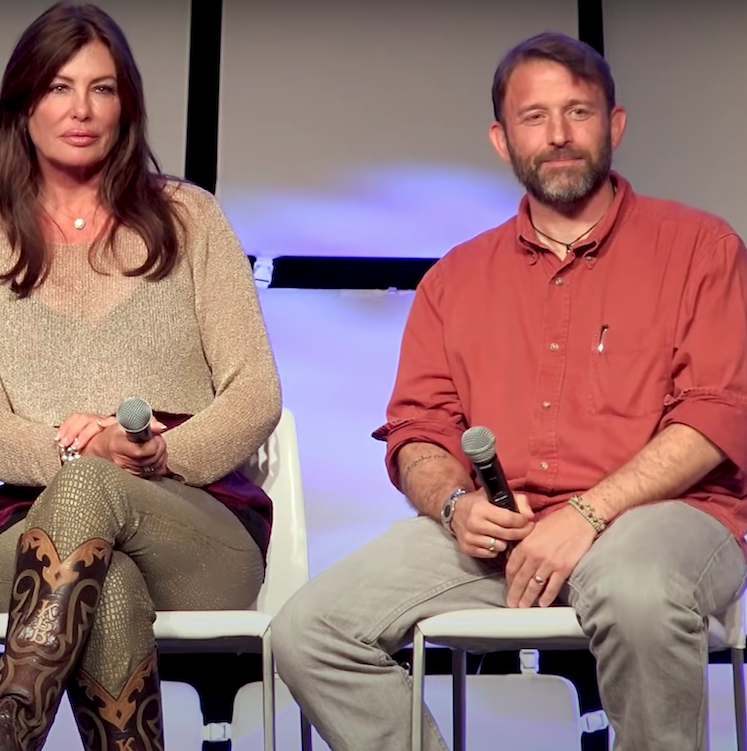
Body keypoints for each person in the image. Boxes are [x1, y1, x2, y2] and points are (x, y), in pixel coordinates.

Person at [271, 31, 747, 751]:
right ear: (502, 139)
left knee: (637, 592)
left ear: (614, 124)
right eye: (534, 117)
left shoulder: (701, 248)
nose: (558, 135)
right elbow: (416, 430)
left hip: (665, 518)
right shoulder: (455, 279)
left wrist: (588, 513)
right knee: (309, 633)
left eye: (578, 111)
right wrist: (454, 504)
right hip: (504, 537)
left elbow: (717, 413)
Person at [0, 3, 281, 750]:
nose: (82, 109)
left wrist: (157, 455)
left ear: (126, 105)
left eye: (103, 88)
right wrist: (76, 454)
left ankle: (11, 724)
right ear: (24, 106)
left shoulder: (190, 218)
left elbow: (257, 394)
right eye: (60, 88)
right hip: (28, 536)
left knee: (94, 488)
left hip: (193, 523)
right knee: (109, 584)